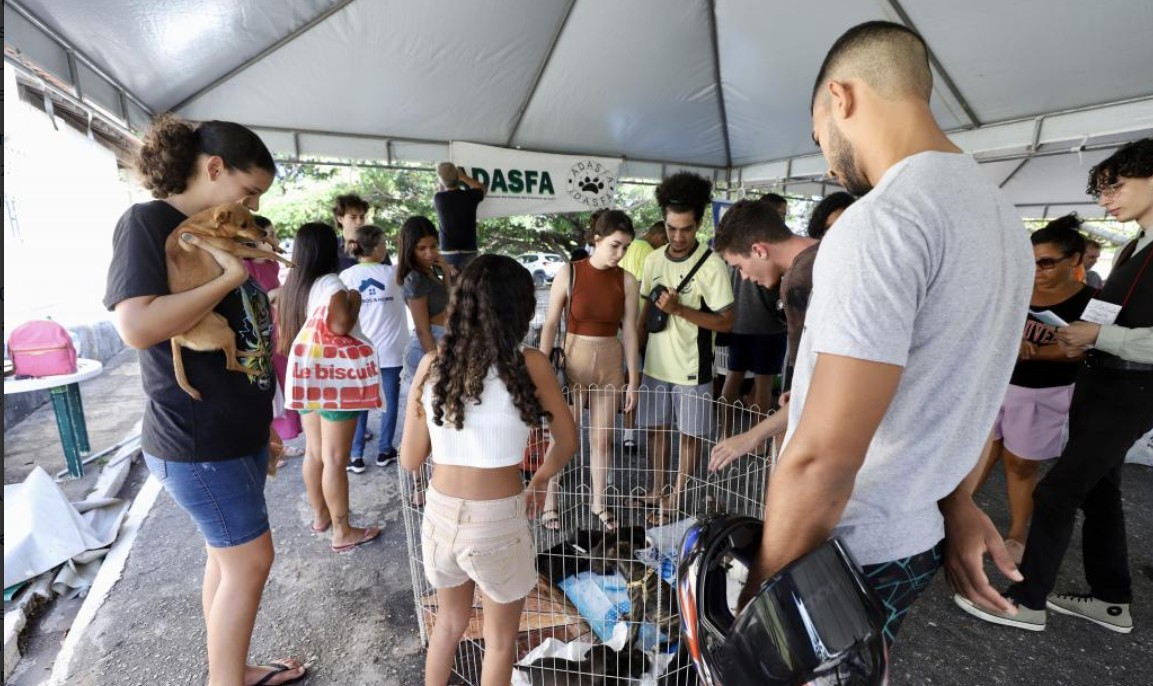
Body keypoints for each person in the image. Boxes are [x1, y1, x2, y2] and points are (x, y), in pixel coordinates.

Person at [741, 21, 1034, 647]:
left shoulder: (883, 221)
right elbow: (959, 383)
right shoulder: (1000, 217)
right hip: (914, 533)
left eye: (819, 137)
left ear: (840, 97)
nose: (827, 160)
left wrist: (759, 609)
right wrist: (955, 500)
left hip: (846, 545)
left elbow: (823, 457)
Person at [103, 114, 306, 686]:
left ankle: (231, 670)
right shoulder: (148, 223)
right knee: (250, 562)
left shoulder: (214, 229)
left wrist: (262, 424)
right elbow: (137, 326)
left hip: (232, 429)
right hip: (197, 435)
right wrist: (227, 278)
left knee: (228, 558)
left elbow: (241, 336)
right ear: (214, 168)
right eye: (248, 191)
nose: (252, 207)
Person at [958, 138, 1153, 633]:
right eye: (1102, 190)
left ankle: (1027, 601)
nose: (1106, 200)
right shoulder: (1135, 245)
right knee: (1099, 492)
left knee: (1056, 492)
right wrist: (1087, 338)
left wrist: (1101, 336)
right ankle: (1111, 599)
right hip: (1102, 380)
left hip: (1130, 388)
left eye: (1116, 186)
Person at [400, 254, 577, 686]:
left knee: (447, 625)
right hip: (496, 521)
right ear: (520, 309)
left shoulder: (431, 365)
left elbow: (409, 460)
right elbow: (567, 442)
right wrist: (539, 479)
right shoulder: (530, 363)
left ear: (460, 306)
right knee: (499, 643)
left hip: (440, 515)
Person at [974, 217, 1094, 565]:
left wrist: (1034, 351)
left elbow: (1082, 350)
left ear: (1075, 259)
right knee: (981, 453)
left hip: (1044, 392)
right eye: (1031, 262)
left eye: (1046, 262)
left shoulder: (1092, 301)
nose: (1037, 271)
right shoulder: (1017, 289)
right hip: (997, 384)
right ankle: (955, 515)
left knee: (1022, 464)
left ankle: (1017, 534)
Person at [635, 171, 735, 523]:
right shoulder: (653, 260)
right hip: (654, 365)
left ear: (699, 224)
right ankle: (657, 488)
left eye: (687, 229)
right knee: (656, 429)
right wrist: (633, 361)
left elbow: (727, 321)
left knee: (689, 435)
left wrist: (680, 310)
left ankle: (675, 498)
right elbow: (644, 313)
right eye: (671, 228)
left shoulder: (712, 266)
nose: (678, 237)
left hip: (693, 367)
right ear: (663, 221)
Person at [279, 223, 382, 553]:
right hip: (334, 380)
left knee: (315, 452)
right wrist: (354, 298)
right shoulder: (331, 283)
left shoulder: (294, 285)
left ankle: (321, 516)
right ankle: (342, 531)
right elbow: (340, 325)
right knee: (336, 459)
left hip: (307, 378)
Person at [537, 210, 642, 533]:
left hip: (610, 363)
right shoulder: (569, 272)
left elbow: (630, 331)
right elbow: (551, 323)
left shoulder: (627, 280)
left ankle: (599, 502)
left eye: (625, 247)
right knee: (563, 437)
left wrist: (633, 379)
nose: (620, 253)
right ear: (597, 239)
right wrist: (540, 368)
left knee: (602, 439)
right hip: (573, 361)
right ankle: (549, 500)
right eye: (615, 245)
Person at [709, 198, 819, 468]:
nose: (744, 277)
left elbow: (829, 371)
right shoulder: (824, 253)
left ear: (758, 250)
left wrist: (753, 436)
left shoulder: (800, 281)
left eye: (739, 267)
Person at [340, 224, 409, 473]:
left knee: (360, 403)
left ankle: (356, 455)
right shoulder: (395, 274)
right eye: (384, 243)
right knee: (389, 403)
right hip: (392, 351)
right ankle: (384, 450)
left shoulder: (346, 277)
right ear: (378, 248)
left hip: (360, 352)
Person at [248, 216, 303, 460]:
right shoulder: (244, 268)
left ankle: (278, 446)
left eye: (274, 234)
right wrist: (273, 295)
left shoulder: (272, 265)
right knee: (268, 395)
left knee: (283, 390)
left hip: (279, 335)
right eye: (268, 236)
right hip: (259, 341)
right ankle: (271, 449)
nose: (275, 240)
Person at [398, 216, 454, 384]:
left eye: (433, 246)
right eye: (421, 248)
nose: (429, 253)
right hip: (427, 348)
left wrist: (446, 273)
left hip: (441, 342)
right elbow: (422, 330)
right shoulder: (415, 278)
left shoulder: (429, 272)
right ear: (409, 249)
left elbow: (450, 304)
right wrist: (436, 363)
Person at [433, 162, 486, 270]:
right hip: (469, 249)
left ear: (441, 180)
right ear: (457, 176)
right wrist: (463, 177)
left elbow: (442, 189)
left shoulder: (438, 198)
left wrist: (444, 179)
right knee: (470, 280)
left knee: (451, 280)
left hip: (448, 251)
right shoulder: (470, 196)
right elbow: (482, 188)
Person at [332, 193, 370, 271]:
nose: (359, 222)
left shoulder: (375, 245)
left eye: (362, 217)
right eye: (353, 217)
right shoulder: (330, 247)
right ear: (340, 219)